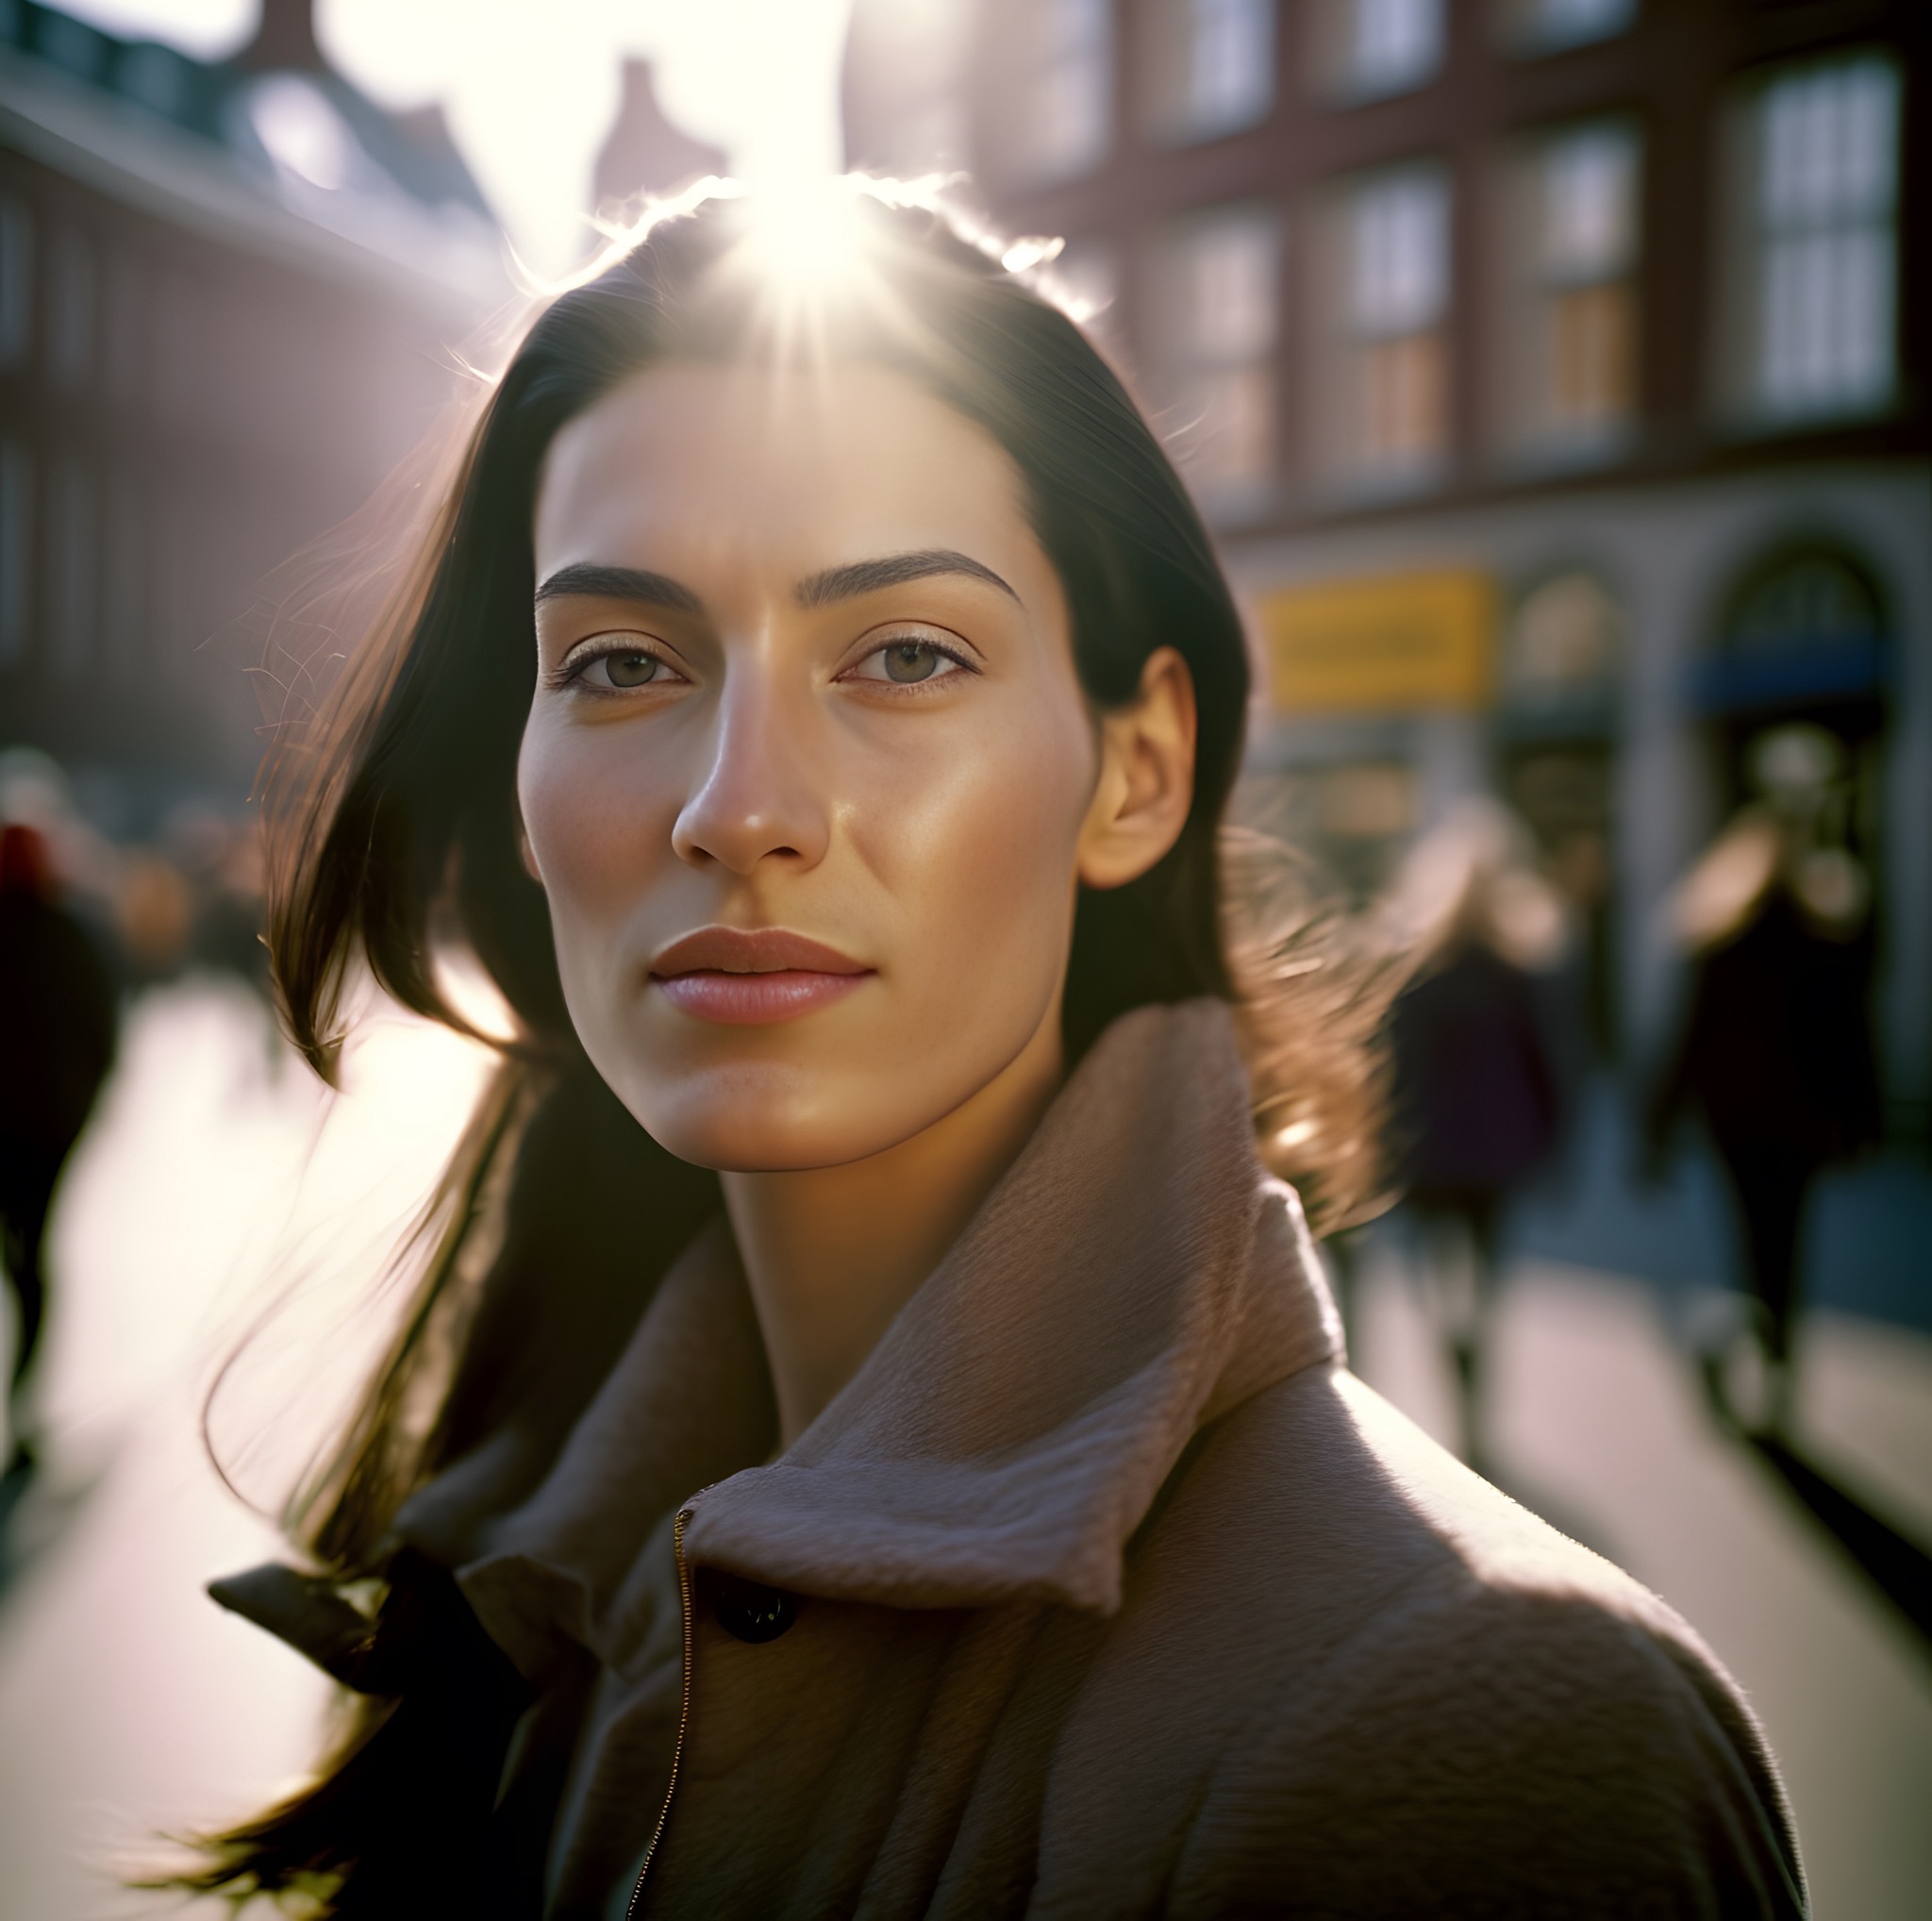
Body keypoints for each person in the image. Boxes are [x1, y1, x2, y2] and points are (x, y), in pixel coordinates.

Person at [180, 189, 1805, 1918]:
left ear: (1135, 771)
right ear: (513, 787)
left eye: (900, 653)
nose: (740, 807)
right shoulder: (515, 1593)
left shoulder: (1491, 1744)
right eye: (620, 662)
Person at [1648, 723, 1882, 1430]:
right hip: (1801, 1116)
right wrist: (1863, 1116)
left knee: (1753, 1230)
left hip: (1736, 1114)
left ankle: (1756, 1331)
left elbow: (1686, 1038)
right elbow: (1853, 1038)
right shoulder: (1825, 936)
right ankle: (1779, 1350)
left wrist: (1655, 1126)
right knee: (1789, 1235)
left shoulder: (1723, 939)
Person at [1381, 802, 1572, 1473]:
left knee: (1437, 1278)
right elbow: (1549, 1066)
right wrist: (1556, 1148)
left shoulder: (1415, 972)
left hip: (1430, 1154)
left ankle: (1453, 1358)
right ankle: (1476, 1395)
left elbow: (1391, 1071)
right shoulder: (1518, 969)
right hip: (1497, 1154)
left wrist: (1381, 1153)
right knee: (1488, 1277)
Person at [0, 823, 119, 1488]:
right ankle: (22, 1406)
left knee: (21, 1264)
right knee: (34, 1264)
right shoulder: (69, 938)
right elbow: (101, 1032)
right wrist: (81, 1108)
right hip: (48, 1131)